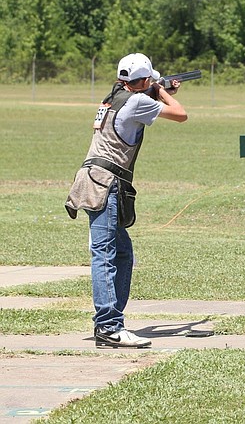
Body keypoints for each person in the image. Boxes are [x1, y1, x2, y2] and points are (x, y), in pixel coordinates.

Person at [65, 53, 188, 348]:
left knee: (120, 253)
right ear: (144, 81)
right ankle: (109, 327)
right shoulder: (138, 101)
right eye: (149, 80)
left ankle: (111, 321)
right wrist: (160, 91)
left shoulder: (114, 95)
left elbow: (135, 96)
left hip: (93, 178)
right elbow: (181, 114)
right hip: (107, 184)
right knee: (105, 255)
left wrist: (155, 87)